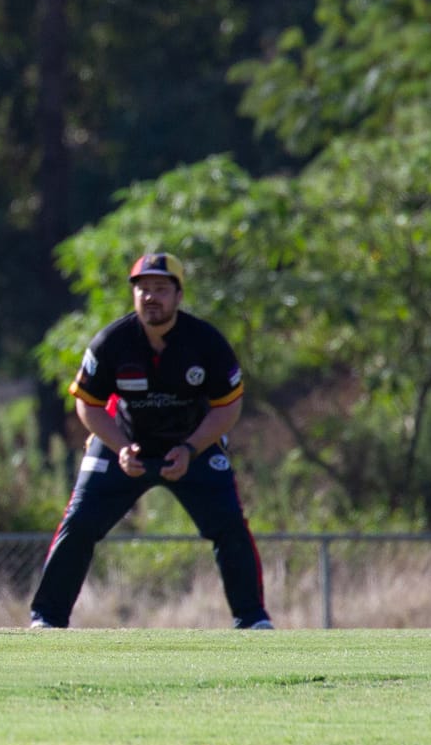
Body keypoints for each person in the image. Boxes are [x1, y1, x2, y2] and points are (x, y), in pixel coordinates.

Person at [29, 252, 274, 630]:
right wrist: (119, 448)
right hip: (124, 444)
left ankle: (253, 620)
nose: (150, 297)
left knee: (229, 526)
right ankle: (47, 619)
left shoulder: (207, 342)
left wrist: (191, 449)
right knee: (79, 523)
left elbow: (228, 408)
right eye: (143, 289)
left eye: (161, 289)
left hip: (192, 445)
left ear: (178, 296)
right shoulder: (112, 341)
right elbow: (88, 406)